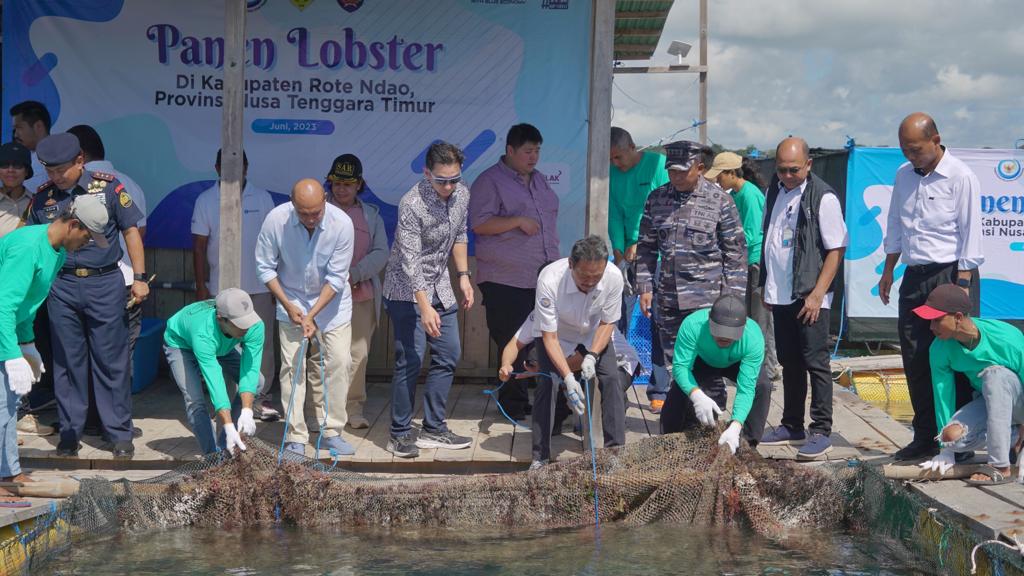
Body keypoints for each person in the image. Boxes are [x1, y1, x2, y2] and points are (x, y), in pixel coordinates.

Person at [27, 133, 148, 460]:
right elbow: (36, 243)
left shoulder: (108, 187)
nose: (54, 177)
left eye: (60, 170)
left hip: (105, 283)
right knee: (67, 361)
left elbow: (131, 231)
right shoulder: (42, 198)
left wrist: (139, 277)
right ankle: (70, 432)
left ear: (79, 161)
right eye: (48, 170)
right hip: (62, 287)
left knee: (112, 361)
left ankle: (119, 433)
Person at [878, 112, 984, 462]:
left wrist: (963, 288)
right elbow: (895, 224)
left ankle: (961, 440)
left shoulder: (961, 176)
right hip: (915, 275)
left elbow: (971, 235)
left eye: (916, 149)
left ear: (936, 140)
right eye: (905, 150)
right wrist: (889, 270)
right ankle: (925, 436)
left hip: (951, 275)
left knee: (956, 357)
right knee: (914, 355)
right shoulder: (903, 175)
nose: (910, 156)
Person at [0, 194, 109, 501]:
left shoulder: (57, 252)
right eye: (87, 234)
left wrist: (27, 343)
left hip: (7, 329)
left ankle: (8, 473)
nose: (88, 242)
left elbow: (27, 305)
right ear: (73, 224)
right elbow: (3, 305)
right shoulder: (28, 248)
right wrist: (11, 356)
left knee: (8, 406)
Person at [634, 140, 747, 433]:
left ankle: (711, 433)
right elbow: (646, 247)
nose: (676, 176)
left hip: (707, 304)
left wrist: (732, 303)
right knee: (676, 370)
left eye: (682, 171)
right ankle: (677, 436)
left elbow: (735, 254)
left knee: (710, 369)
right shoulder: (656, 199)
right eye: (671, 171)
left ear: (699, 168)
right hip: (669, 303)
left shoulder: (720, 201)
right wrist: (644, 286)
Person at [382, 141, 475, 458]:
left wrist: (463, 276)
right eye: (442, 180)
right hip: (405, 289)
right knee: (411, 356)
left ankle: (434, 429)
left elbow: (461, 233)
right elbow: (410, 262)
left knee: (449, 352)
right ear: (426, 173)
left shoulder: (462, 193)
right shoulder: (411, 203)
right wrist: (423, 307)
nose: (449, 186)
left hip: (441, 285)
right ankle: (399, 432)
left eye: (454, 179)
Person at [758, 137, 848, 460]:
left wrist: (818, 293)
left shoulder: (822, 197)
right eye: (781, 169)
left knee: (816, 363)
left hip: (811, 295)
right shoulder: (775, 190)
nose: (787, 175)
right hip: (781, 294)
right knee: (789, 361)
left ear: (808, 164)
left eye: (794, 169)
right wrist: (767, 285)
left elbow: (836, 249)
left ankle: (821, 428)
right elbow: (771, 241)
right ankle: (792, 423)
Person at [256, 179, 355, 457]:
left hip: (332, 304)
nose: (311, 219)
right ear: (292, 204)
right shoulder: (276, 220)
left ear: (325, 199)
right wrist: (289, 306)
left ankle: (331, 431)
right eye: (304, 213)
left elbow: (337, 278)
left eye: (316, 212)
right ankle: (295, 435)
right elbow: (265, 268)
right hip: (291, 300)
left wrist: (312, 315)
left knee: (338, 362)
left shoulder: (342, 223)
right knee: (292, 367)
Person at [470, 123, 560, 421]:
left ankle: (533, 402)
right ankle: (512, 406)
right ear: (510, 151)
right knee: (511, 340)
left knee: (542, 341)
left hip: (543, 276)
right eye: (527, 151)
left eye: (537, 151)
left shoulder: (540, 181)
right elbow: (479, 224)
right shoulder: (489, 181)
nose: (533, 157)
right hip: (505, 278)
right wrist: (516, 221)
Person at [67, 124, 147, 439]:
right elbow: (139, 236)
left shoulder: (68, 187)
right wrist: (139, 277)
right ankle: (114, 423)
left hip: (79, 283)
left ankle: (86, 420)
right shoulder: (130, 185)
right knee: (117, 357)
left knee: (80, 353)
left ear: (79, 156)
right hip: (124, 282)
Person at [192, 149, 279, 422]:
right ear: (217, 168)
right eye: (226, 166)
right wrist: (201, 287)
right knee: (224, 348)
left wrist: (276, 285)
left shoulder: (262, 198)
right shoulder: (206, 200)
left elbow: (274, 245)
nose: (232, 171)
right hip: (221, 289)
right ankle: (227, 403)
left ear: (246, 167)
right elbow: (199, 247)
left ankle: (259, 400)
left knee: (261, 346)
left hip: (259, 286)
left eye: (238, 166)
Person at [530, 235, 625, 469]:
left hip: (594, 333)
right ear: (571, 264)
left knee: (612, 378)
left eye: (597, 276)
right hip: (556, 334)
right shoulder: (550, 278)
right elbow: (549, 337)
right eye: (584, 276)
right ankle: (540, 457)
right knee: (548, 383)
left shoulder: (613, 277)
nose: (591, 281)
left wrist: (592, 355)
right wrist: (568, 377)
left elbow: (607, 322)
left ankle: (615, 454)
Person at [914, 285, 1024, 485]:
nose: (931, 327)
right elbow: (943, 398)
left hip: (1020, 402)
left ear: (957, 317)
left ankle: (1000, 466)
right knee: (950, 436)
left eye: (937, 320)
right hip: (991, 402)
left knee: (994, 375)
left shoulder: (1007, 338)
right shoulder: (939, 349)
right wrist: (945, 451)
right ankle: (1013, 436)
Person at [608, 127, 672, 412]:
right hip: (624, 255)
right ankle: (617, 386)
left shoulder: (657, 165)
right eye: (611, 159)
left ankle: (659, 387)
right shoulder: (610, 172)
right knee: (615, 320)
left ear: (633, 147)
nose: (616, 164)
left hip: (654, 255)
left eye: (619, 157)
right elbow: (613, 213)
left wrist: (642, 244)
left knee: (657, 320)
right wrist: (620, 252)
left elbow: (665, 210)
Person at [499, 309, 639, 438]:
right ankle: (556, 419)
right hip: (581, 361)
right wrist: (506, 365)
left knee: (606, 397)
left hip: (620, 363)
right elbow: (513, 345)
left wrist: (543, 370)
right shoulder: (539, 314)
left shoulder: (580, 312)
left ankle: (617, 414)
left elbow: (584, 358)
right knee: (544, 367)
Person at [705, 151, 781, 381]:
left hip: (756, 263)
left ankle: (767, 371)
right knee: (746, 319)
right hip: (743, 265)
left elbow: (749, 233)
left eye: (720, 176)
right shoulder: (737, 195)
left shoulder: (750, 195)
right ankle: (751, 367)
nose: (718, 181)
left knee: (761, 321)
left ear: (731, 173)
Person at [664, 293, 773, 453]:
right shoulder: (693, 325)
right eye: (719, 332)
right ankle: (669, 441)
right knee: (679, 390)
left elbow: (746, 389)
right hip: (702, 359)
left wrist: (736, 424)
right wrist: (696, 395)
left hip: (736, 361)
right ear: (709, 321)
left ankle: (746, 444)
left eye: (730, 335)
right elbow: (680, 367)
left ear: (743, 328)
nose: (724, 338)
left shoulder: (753, 337)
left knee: (762, 386)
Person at [325, 153, 388, 429]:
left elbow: (381, 252)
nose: (341, 189)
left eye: (348, 184)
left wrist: (354, 274)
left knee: (358, 354)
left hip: (360, 293)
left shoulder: (370, 215)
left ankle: (353, 407)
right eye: (337, 183)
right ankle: (326, 409)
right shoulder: (318, 210)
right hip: (324, 297)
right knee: (327, 355)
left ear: (359, 185)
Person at [163, 288, 264, 455]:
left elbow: (250, 370)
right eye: (241, 323)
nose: (247, 327)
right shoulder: (204, 333)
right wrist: (228, 423)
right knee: (194, 400)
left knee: (258, 383)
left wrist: (247, 410)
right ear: (220, 319)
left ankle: (227, 444)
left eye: (249, 320)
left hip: (221, 345)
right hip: (180, 344)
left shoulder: (255, 326)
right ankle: (212, 456)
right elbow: (214, 380)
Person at [8, 101, 50, 192]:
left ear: (38, 126)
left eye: (19, 128)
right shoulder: (22, 159)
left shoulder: (60, 157)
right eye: (15, 129)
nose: (15, 135)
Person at [0, 143, 33, 237]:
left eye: (17, 165)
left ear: (26, 171)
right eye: (4, 165)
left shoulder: (38, 203)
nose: (10, 170)